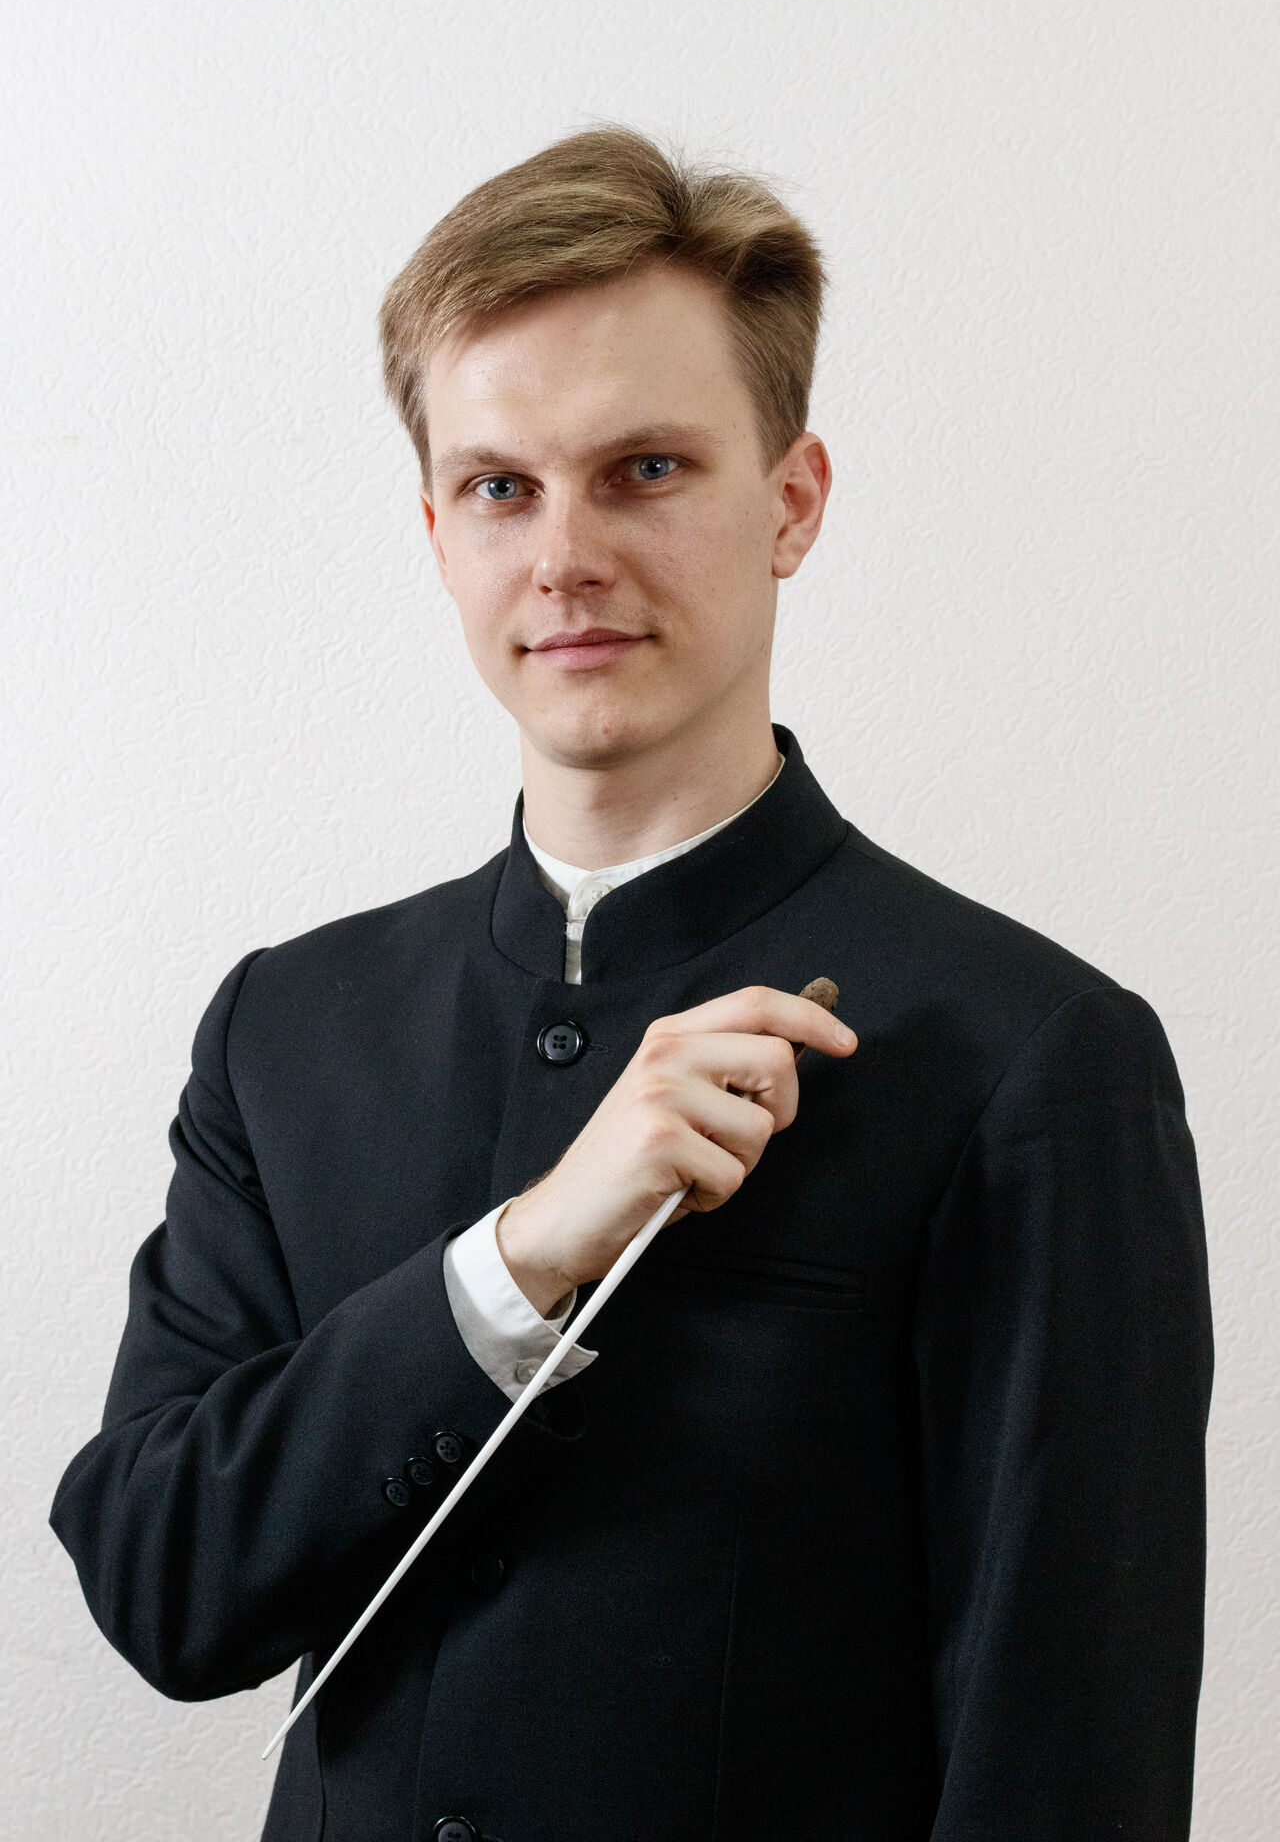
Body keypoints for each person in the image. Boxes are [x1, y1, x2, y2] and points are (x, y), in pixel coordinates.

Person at [50, 126, 1214, 1842]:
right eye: (499, 487)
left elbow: (1068, 1765)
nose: (564, 555)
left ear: (792, 503)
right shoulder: (283, 1029)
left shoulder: (1033, 1055)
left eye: (646, 469)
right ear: (436, 532)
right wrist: (519, 1261)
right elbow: (161, 1586)